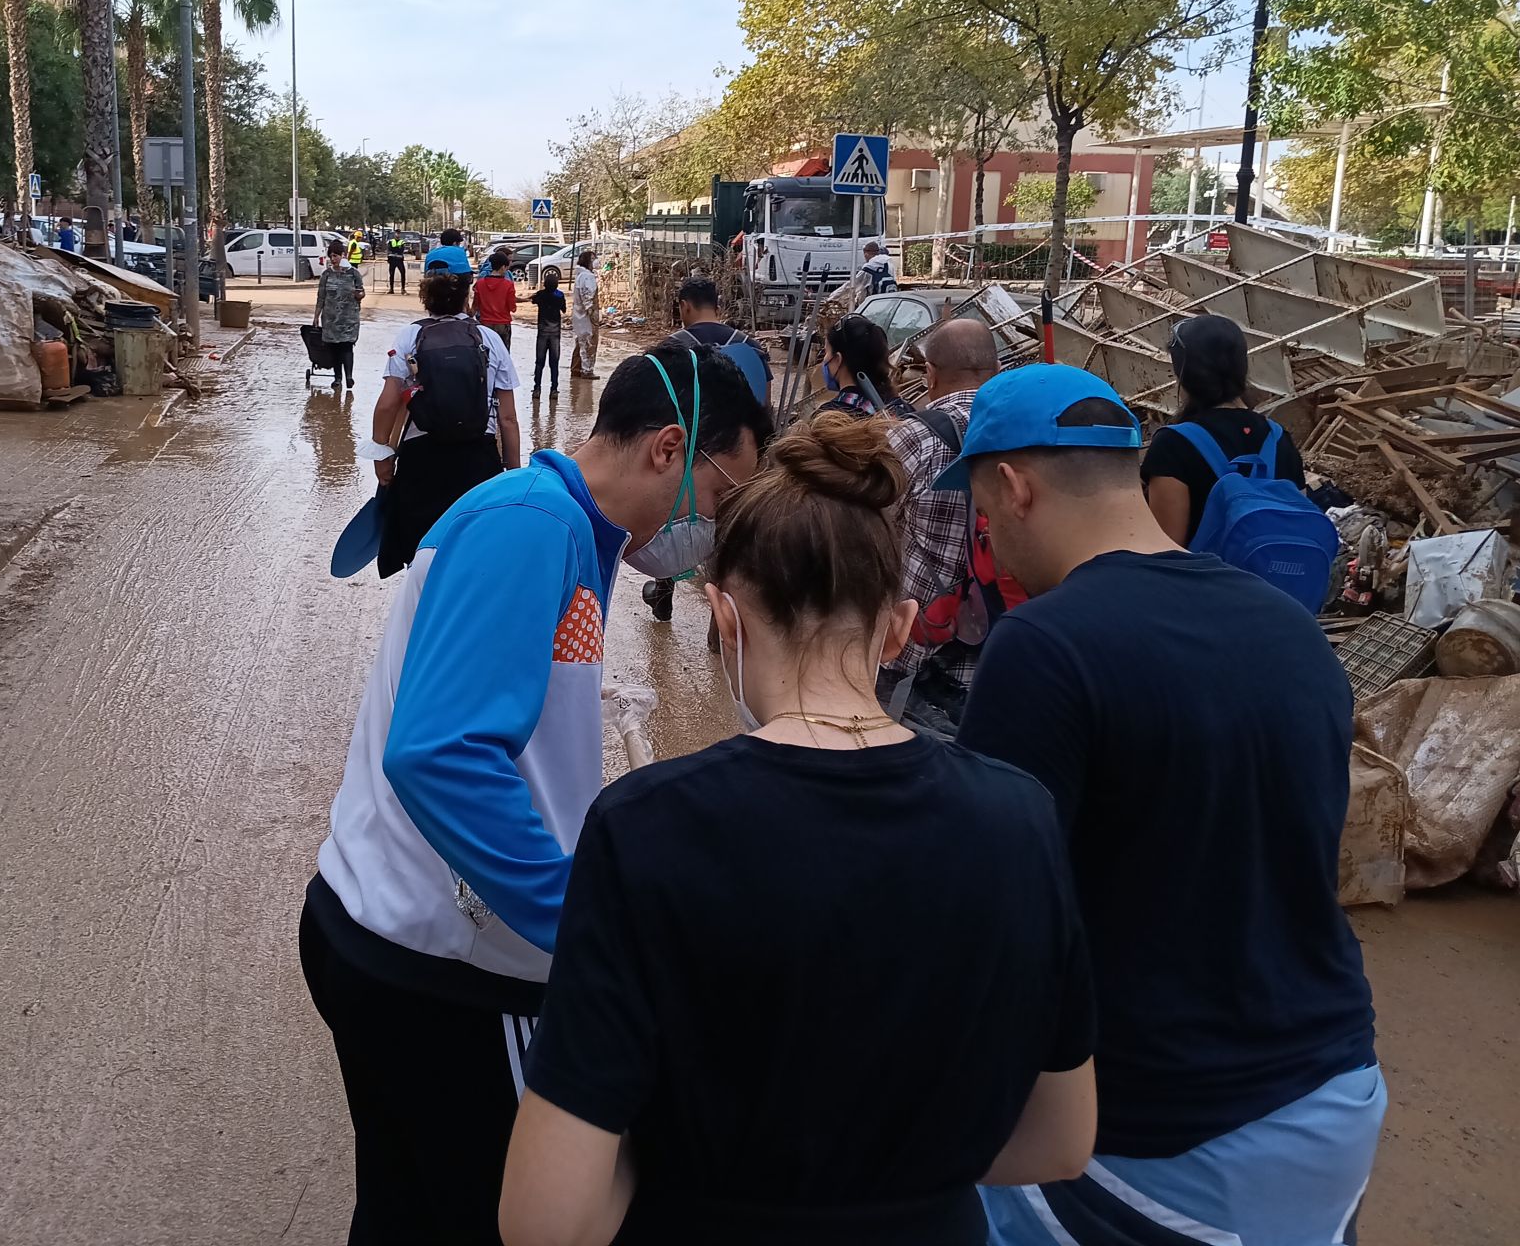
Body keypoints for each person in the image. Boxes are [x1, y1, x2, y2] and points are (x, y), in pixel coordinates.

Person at [498, 410, 1096, 1246]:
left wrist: (670, 1151)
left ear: (726, 620)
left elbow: (546, 1222)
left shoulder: (646, 828)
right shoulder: (1020, 817)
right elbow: (1063, 1141)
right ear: (896, 627)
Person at [304, 345, 771, 1246]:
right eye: (722, 500)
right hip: (439, 966)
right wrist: (582, 925)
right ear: (669, 450)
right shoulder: (532, 524)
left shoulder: (569, 530)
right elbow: (441, 754)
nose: (714, 533)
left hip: (395, 936)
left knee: (410, 1209)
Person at [938, 364, 1383, 1246]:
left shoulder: (1045, 648)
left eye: (984, 514)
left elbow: (994, 920)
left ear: (1016, 489)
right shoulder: (1288, 627)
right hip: (1335, 1096)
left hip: (1167, 1124)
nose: (988, 536)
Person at [879, 319, 1001, 724]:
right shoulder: (1025, 434)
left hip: (914, 651)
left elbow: (862, 532)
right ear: (997, 369)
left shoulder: (913, 438)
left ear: (930, 375)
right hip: (1003, 651)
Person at [371, 268, 523, 577]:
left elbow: (388, 403)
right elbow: (507, 418)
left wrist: (381, 455)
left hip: (421, 460)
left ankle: (422, 611)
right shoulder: (489, 339)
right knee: (473, 553)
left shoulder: (410, 336)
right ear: (466, 301)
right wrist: (513, 472)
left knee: (421, 551)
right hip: (478, 460)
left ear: (426, 302)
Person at [641, 275, 773, 621]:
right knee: (729, 533)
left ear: (685, 306)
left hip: (688, 458)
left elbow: (657, 410)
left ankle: (664, 589)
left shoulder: (671, 348)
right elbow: (765, 410)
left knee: (670, 522)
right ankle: (720, 617)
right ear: (719, 305)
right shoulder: (751, 347)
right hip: (737, 462)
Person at [1142, 314, 1307, 546]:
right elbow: (1298, 525)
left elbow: (1167, 552)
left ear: (1183, 376)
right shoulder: (1278, 439)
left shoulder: (1173, 446)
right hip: (1272, 581)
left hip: (1204, 582)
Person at [817, 312, 910, 419]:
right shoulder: (902, 408)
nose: (824, 360)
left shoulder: (829, 418)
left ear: (838, 359)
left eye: (826, 352)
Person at [313, 238, 366, 390]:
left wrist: (358, 294)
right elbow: (321, 297)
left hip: (349, 318)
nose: (333, 259)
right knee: (334, 348)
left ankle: (349, 377)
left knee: (347, 347)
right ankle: (338, 379)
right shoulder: (326, 275)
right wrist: (316, 316)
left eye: (336, 255)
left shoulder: (354, 274)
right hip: (330, 319)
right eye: (331, 256)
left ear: (343, 255)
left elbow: (362, 293)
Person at [525, 266, 566, 397]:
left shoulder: (540, 295)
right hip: (555, 333)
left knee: (539, 362)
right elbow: (564, 309)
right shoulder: (560, 295)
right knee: (554, 363)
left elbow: (532, 300)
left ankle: (537, 388)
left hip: (542, 332)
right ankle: (554, 389)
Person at [473, 248, 518, 349]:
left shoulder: (480, 284)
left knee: (486, 354)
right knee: (503, 354)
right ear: (502, 267)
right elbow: (512, 308)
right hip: (503, 324)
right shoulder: (508, 285)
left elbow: (475, 305)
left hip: (485, 324)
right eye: (506, 267)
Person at [570, 249, 600, 379]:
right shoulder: (588, 277)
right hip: (586, 316)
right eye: (592, 259)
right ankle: (587, 370)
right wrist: (592, 313)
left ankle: (576, 368)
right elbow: (588, 296)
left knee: (580, 341)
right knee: (589, 343)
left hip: (578, 315)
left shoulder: (580, 275)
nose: (595, 261)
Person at [386, 229, 409, 294]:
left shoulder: (402, 242)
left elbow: (401, 250)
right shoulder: (391, 241)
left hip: (399, 260)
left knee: (403, 273)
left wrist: (395, 249)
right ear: (394, 234)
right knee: (391, 274)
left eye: (399, 233)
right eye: (396, 233)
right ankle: (391, 289)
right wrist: (397, 248)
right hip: (392, 260)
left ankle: (403, 289)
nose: (397, 234)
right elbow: (390, 249)